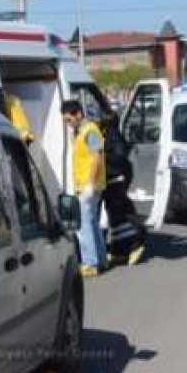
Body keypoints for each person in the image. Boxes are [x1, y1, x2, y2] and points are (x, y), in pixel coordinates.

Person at [62, 100, 107, 278]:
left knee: (84, 227)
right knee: (92, 224)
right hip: (88, 186)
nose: (68, 124)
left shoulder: (90, 131)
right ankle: (100, 260)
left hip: (90, 186)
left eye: (69, 120)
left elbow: (97, 156)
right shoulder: (82, 132)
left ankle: (90, 263)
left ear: (78, 114)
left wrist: (89, 183)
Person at [98, 111, 147, 265]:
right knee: (115, 217)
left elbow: (118, 156)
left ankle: (134, 245)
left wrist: (104, 157)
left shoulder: (112, 137)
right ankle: (120, 250)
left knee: (121, 215)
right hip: (113, 180)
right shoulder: (110, 135)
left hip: (115, 180)